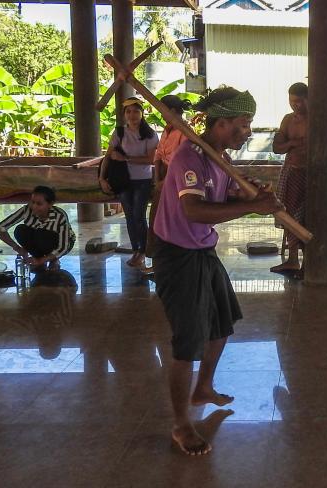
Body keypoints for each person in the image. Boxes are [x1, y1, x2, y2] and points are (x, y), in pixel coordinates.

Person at [152, 87, 283, 455]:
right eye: (244, 125)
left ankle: (203, 387)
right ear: (221, 123)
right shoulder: (188, 159)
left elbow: (218, 198)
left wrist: (245, 195)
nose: (248, 132)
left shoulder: (218, 157)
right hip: (177, 255)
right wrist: (253, 208)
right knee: (187, 342)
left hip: (201, 248)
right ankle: (181, 424)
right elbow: (194, 210)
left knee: (222, 323)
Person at [99, 96, 159, 269]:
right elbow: (108, 156)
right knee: (130, 217)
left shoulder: (149, 134)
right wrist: (102, 178)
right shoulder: (119, 132)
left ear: (142, 113)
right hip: (124, 180)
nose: (132, 115)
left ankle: (146, 250)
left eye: (136, 111)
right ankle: (137, 250)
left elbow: (151, 160)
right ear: (124, 114)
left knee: (139, 216)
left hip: (142, 180)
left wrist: (125, 158)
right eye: (129, 112)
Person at [145, 95, 191, 266]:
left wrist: (165, 181)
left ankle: (171, 260)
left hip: (175, 179)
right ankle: (158, 259)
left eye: (162, 109)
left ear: (171, 110)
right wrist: (158, 178)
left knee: (171, 219)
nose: (160, 113)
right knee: (157, 218)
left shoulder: (184, 131)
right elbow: (158, 154)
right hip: (163, 177)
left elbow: (181, 160)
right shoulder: (167, 129)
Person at [270, 82, 308, 275]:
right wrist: (294, 143)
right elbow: (277, 147)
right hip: (291, 170)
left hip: (311, 173)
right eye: (292, 101)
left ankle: (308, 261)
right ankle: (292, 259)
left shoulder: (316, 119)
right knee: (288, 214)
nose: (295, 105)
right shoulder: (288, 120)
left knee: (308, 216)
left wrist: (291, 144)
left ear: (308, 100)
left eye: (299, 101)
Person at [0, 185, 75, 271]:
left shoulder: (60, 216)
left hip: (60, 243)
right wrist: (18, 248)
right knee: (20, 230)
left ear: (50, 204)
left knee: (41, 234)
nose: (34, 207)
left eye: (39, 204)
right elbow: (0, 228)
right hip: (40, 239)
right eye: (33, 202)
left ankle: (53, 259)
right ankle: (37, 256)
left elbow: (63, 247)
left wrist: (40, 261)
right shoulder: (27, 210)